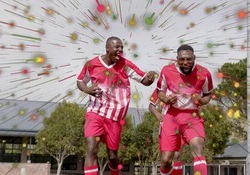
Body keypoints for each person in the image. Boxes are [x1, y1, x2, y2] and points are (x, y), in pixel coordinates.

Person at [77, 36, 156, 175]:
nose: (120, 50)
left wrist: (150, 79)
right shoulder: (92, 64)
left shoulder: (125, 64)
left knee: (112, 156)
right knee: (91, 147)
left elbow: (144, 80)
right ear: (107, 48)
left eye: (122, 48)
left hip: (115, 117)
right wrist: (86, 89)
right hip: (95, 111)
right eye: (116, 47)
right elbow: (80, 81)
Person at [156, 44, 213, 175]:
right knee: (166, 159)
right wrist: (166, 99)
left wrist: (201, 100)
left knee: (198, 148)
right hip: (171, 116)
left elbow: (208, 94)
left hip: (192, 117)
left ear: (194, 58)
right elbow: (160, 92)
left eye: (189, 59)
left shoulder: (204, 73)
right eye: (182, 59)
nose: (185, 63)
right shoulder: (167, 71)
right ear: (177, 59)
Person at [149, 89, 184, 175]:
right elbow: (151, 105)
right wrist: (157, 114)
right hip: (166, 126)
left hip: (181, 124)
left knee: (177, 155)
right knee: (166, 160)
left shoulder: (185, 84)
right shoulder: (162, 87)